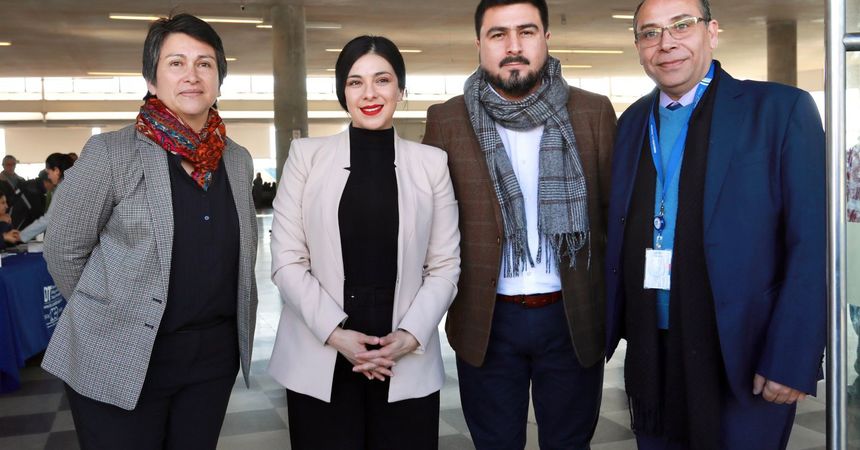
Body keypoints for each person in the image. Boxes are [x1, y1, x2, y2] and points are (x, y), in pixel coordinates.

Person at [604, 0, 826, 448]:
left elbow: (813, 244)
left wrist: (791, 356)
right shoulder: (631, 123)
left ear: (712, 32)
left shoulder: (779, 111)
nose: (666, 43)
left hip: (746, 350)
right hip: (652, 347)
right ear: (638, 46)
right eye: (650, 32)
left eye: (681, 26)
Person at [41, 13, 258, 449]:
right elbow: (63, 250)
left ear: (219, 79)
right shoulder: (111, 153)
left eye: (204, 63)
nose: (192, 75)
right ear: (152, 79)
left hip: (211, 361)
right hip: (120, 353)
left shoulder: (237, 159)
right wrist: (111, 312)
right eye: (176, 63)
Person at [423, 0, 616, 447]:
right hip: (486, 321)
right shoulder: (447, 120)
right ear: (479, 44)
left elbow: (613, 219)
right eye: (498, 34)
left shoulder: (593, 112)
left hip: (572, 317)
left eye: (526, 32)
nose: (513, 46)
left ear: (546, 39)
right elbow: (430, 227)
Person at [267, 35, 460, 450]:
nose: (369, 93)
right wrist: (337, 335)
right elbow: (286, 260)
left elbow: (444, 265)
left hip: (403, 352)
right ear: (343, 92)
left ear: (400, 89)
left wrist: (410, 335)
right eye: (355, 82)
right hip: (321, 349)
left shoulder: (432, 163)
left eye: (382, 80)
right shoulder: (305, 156)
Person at [18, 153, 73, 243]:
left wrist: (21, 235)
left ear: (56, 170)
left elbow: (49, 219)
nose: (48, 176)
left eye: (49, 172)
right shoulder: (72, 185)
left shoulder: (63, 188)